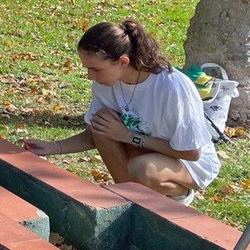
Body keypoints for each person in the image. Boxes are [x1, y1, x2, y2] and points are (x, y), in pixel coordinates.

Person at [22, 20, 219, 206]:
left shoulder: (171, 87)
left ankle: (178, 194)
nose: (90, 75)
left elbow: (191, 152)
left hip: (190, 163)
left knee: (142, 168)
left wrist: (128, 136)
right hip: (146, 151)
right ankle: (130, 199)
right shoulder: (105, 82)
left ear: (123, 61)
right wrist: (54, 147)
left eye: (95, 69)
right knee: (103, 124)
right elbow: (96, 133)